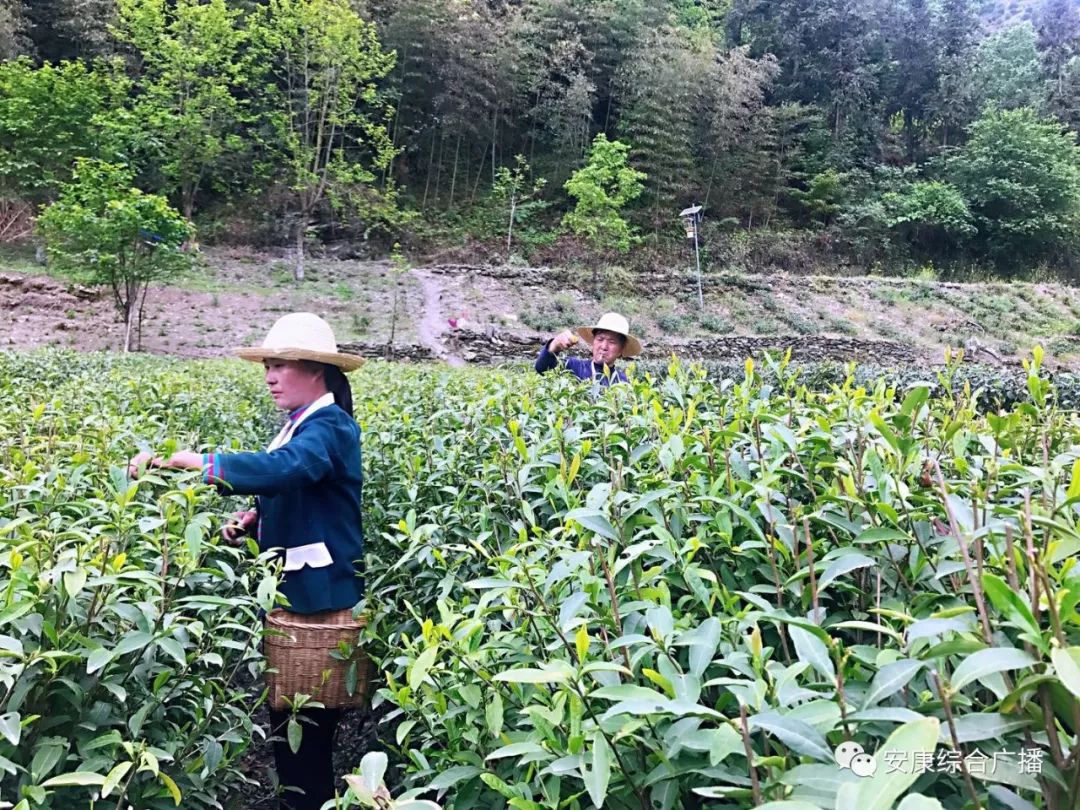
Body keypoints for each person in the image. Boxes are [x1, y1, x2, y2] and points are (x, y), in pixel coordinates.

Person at [128, 312, 366, 810]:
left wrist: (201, 463)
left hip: (317, 598)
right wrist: (257, 517)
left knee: (304, 730)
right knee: (291, 723)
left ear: (316, 369)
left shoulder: (330, 425)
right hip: (298, 591)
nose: (270, 377)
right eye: (267, 366)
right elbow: (298, 487)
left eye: (281, 365)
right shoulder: (302, 423)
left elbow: (289, 469)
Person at [534, 312, 641, 386]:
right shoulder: (573, 367)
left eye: (612, 342)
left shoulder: (623, 382)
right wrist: (553, 347)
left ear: (621, 350)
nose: (604, 346)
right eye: (600, 339)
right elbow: (542, 369)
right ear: (593, 342)